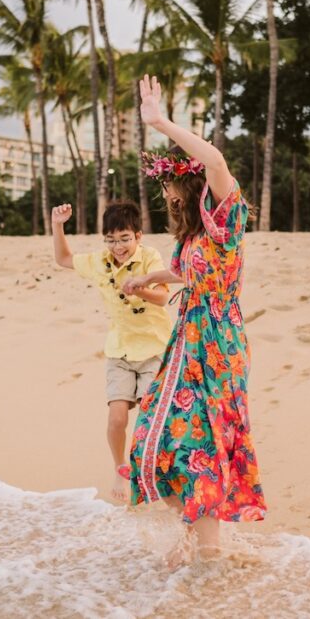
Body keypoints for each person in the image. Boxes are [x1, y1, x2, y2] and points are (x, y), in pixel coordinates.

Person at [122, 74, 267, 566]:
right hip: (185, 341)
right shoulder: (190, 242)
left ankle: (206, 553)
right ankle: (194, 538)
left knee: (199, 442)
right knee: (154, 439)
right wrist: (144, 280)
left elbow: (217, 161)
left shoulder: (225, 224)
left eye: (170, 189)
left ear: (189, 188)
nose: (166, 198)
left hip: (218, 346)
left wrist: (159, 121)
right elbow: (182, 273)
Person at [51, 199, 174, 502]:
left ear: (138, 236)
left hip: (154, 350)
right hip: (119, 352)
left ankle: (151, 471)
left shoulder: (149, 258)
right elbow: (64, 259)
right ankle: (121, 468)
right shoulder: (100, 262)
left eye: (124, 239)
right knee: (117, 420)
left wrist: (140, 288)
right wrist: (57, 225)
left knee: (148, 417)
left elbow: (161, 298)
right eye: (111, 239)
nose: (118, 246)